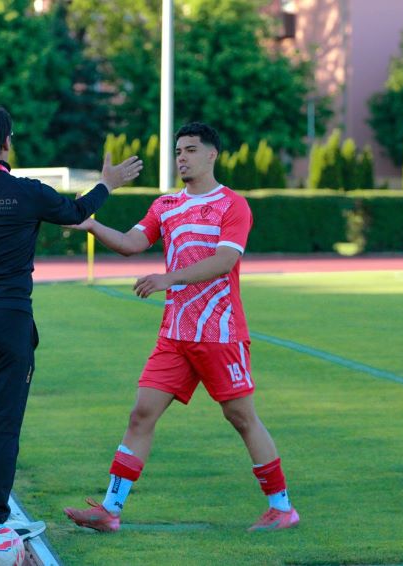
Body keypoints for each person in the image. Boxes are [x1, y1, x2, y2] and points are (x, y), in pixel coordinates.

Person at [0, 103, 143, 549]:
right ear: (7, 143)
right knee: (2, 425)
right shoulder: (27, 192)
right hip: (9, 323)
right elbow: (77, 212)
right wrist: (108, 183)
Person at [63, 122, 300, 533]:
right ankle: (110, 510)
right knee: (141, 414)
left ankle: (282, 508)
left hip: (219, 334)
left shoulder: (232, 205)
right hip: (174, 336)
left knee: (241, 417)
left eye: (190, 150)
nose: (182, 158)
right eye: (177, 152)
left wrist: (168, 279)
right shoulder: (166, 205)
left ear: (212, 154)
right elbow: (131, 243)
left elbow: (225, 261)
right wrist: (93, 226)